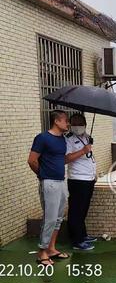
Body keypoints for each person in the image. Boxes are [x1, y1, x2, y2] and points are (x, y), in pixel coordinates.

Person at [27, 110, 77, 265]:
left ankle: (51, 249)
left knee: (58, 218)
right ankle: (42, 253)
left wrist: (83, 151)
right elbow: (32, 160)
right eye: (65, 120)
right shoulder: (42, 138)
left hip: (61, 182)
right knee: (49, 218)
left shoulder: (62, 140)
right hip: (49, 182)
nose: (68, 123)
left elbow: (61, 160)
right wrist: (42, 175)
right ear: (56, 121)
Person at [65, 113, 97, 251]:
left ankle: (82, 235)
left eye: (81, 123)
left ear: (85, 124)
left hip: (88, 179)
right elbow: (66, 158)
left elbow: (89, 157)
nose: (78, 126)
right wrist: (83, 150)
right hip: (77, 180)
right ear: (70, 125)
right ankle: (76, 241)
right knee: (76, 210)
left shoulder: (86, 136)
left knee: (83, 209)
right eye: (75, 124)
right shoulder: (68, 139)